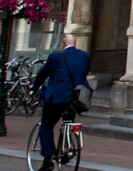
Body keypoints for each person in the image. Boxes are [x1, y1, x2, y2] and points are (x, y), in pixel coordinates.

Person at [33, 33, 90, 171]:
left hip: (57, 97)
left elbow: (43, 74)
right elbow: (85, 71)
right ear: (75, 45)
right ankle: (67, 147)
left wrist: (34, 87)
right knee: (68, 121)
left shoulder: (55, 57)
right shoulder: (84, 56)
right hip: (76, 98)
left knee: (46, 126)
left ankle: (48, 159)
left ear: (62, 45)